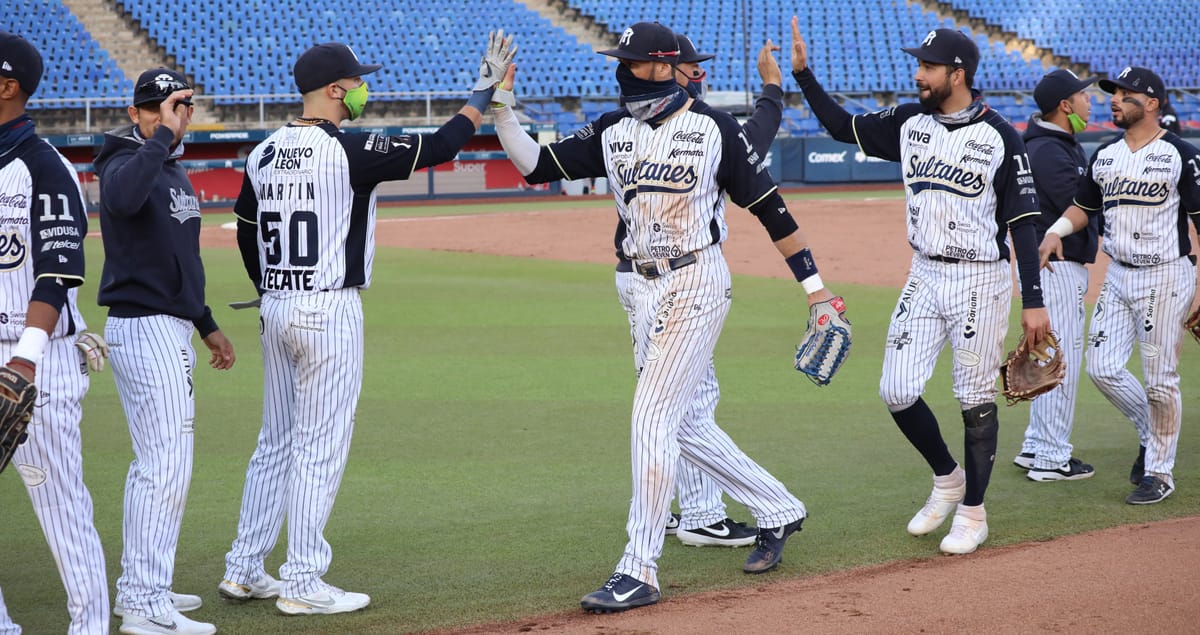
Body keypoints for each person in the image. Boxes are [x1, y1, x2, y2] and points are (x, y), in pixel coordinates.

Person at [493, 21, 840, 612]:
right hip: (638, 287)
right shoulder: (612, 129)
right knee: (680, 422)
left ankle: (639, 567)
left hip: (695, 280)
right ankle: (779, 507)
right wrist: (502, 107)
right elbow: (534, 165)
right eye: (620, 61)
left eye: (634, 62)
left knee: (651, 413)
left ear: (669, 68)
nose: (622, 70)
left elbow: (772, 212)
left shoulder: (712, 128)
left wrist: (817, 291)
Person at [221, 36, 513, 616]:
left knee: (275, 443)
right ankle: (303, 580)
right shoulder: (349, 150)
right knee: (319, 447)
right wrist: (485, 90)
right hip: (328, 310)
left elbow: (246, 230)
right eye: (356, 82)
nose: (362, 90)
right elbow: (445, 143)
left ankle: (245, 568)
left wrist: (268, 289)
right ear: (334, 90)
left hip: (275, 305)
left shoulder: (261, 152)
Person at [791, 19, 1050, 555]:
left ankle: (974, 513)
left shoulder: (1001, 135)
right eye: (919, 65)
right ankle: (947, 478)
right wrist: (804, 76)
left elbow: (1023, 223)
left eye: (927, 67)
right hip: (924, 273)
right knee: (896, 389)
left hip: (979, 275)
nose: (917, 75)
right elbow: (843, 127)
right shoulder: (910, 122)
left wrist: (1033, 302)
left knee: (974, 397)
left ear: (958, 74)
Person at [96, 68, 236, 635]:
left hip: (171, 324)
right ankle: (143, 602)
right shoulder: (123, 161)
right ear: (135, 114)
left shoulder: (171, 168)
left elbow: (180, 258)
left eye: (179, 107)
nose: (171, 117)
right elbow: (124, 200)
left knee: (159, 465)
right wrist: (159, 138)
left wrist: (206, 323)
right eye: (157, 108)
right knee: (164, 467)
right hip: (144, 325)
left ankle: (143, 588)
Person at [635, 34, 785, 548]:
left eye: (700, 68)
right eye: (691, 68)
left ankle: (699, 510)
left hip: (683, 280)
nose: (699, 75)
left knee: (687, 402)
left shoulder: (704, 129)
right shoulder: (648, 126)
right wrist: (771, 89)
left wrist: (771, 90)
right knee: (676, 407)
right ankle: (713, 510)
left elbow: (753, 140)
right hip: (646, 277)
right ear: (667, 72)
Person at [1038, 66, 1200, 505]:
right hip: (1119, 273)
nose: (1114, 99)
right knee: (1101, 367)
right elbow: (1081, 207)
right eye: (1113, 93)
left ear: (1151, 104)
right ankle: (1151, 431)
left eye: (1126, 94)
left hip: (1165, 275)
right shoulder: (1105, 155)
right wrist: (1055, 231)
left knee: (1160, 381)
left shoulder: (1180, 155)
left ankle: (1160, 474)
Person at [0, 30, 109, 635]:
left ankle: (89, 628)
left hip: (33, 366)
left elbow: (58, 274)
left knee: (60, 507)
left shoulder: (46, 168)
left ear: (7, 85)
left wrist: (25, 361)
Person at [1012, 69, 1101, 482]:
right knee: (1059, 361)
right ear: (1065, 105)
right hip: (1057, 268)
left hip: (1051, 269)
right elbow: (1078, 209)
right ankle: (1051, 457)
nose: (1090, 101)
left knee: (1048, 356)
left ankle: (1035, 446)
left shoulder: (1051, 144)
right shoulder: (1049, 150)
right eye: (1083, 95)